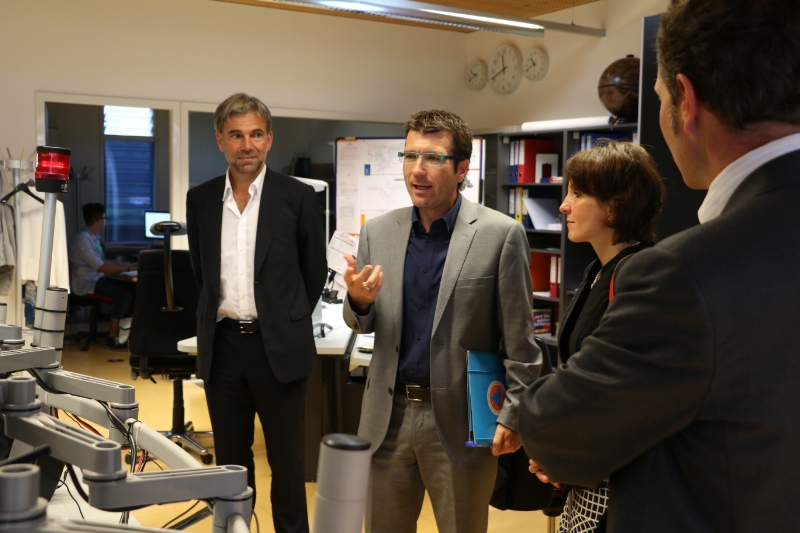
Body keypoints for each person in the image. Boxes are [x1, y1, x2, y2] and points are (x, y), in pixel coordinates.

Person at [519, 0, 800, 531]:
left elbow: (557, 430)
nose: (566, 206)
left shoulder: (683, 273)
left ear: (685, 102)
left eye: (659, 98)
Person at [342, 109, 542, 533]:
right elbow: (362, 324)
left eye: (432, 158)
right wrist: (358, 302)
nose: (417, 169)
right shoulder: (379, 232)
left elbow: (521, 345)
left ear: (462, 168)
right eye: (410, 156)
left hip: (460, 421)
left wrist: (513, 414)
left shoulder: (500, 235)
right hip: (388, 418)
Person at [186, 93, 327, 533]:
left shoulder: (298, 197)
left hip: (278, 350)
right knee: (231, 465)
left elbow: (313, 273)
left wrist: (284, 320)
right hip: (223, 350)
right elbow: (203, 274)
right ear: (220, 141)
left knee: (287, 463)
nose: (246, 145)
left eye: (255, 134)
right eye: (236, 135)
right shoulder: (200, 200)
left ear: (269, 139)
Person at [544, 141, 664, 533]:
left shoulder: (640, 275)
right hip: (589, 472)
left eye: (577, 194)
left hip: (618, 482)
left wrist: (564, 451)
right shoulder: (598, 269)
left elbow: (628, 394)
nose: (564, 206)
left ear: (613, 207)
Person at [69, 202, 137, 351]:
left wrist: (125, 269)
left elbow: (102, 261)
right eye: (104, 218)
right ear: (98, 220)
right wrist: (126, 269)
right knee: (123, 294)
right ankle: (112, 338)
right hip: (86, 283)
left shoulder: (93, 237)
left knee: (134, 288)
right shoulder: (83, 239)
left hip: (97, 278)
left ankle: (130, 332)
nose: (105, 221)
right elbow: (99, 267)